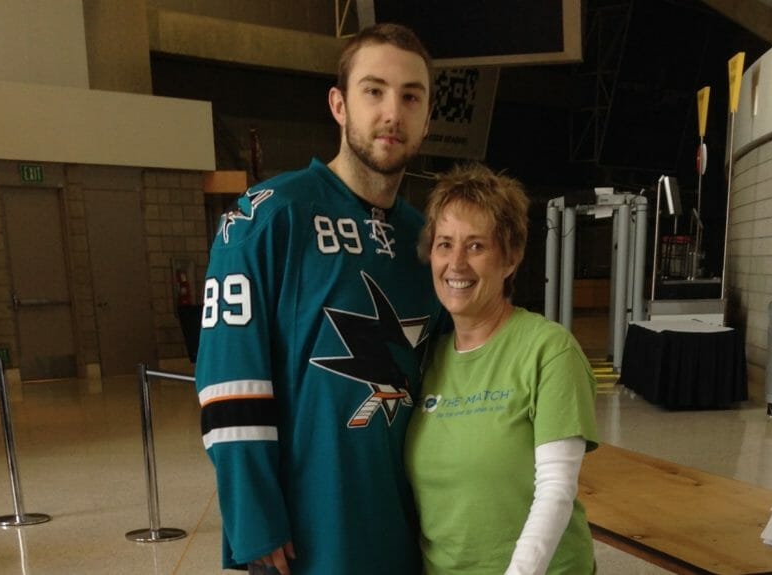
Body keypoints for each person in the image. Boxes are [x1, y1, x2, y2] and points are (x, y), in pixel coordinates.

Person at [194, 23, 442, 574]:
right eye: (373, 91)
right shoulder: (268, 216)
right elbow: (229, 382)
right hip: (303, 532)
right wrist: (253, 518)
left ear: (427, 116)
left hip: (403, 524)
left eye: (410, 96)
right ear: (339, 104)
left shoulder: (426, 241)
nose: (392, 113)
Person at [405, 163, 599, 575]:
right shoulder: (429, 358)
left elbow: (556, 491)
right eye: (444, 244)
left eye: (476, 246)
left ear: (509, 259)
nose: (455, 263)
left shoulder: (548, 350)